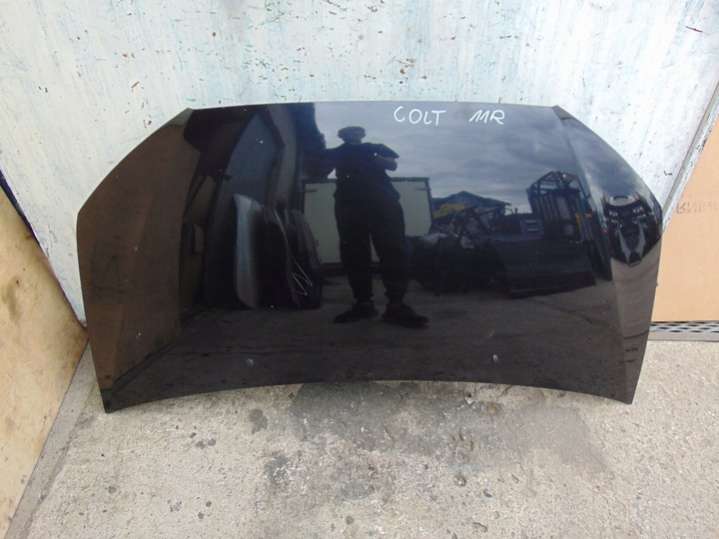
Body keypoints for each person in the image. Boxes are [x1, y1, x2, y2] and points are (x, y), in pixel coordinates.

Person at [321, 126, 428, 328]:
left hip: (383, 203)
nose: (353, 134)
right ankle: (363, 304)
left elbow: (393, 165)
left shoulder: (375, 147)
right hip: (349, 205)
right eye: (348, 132)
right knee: (353, 252)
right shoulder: (336, 152)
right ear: (341, 136)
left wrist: (376, 159)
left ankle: (396, 305)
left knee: (393, 249)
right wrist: (324, 160)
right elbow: (320, 171)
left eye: (357, 132)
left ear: (362, 135)